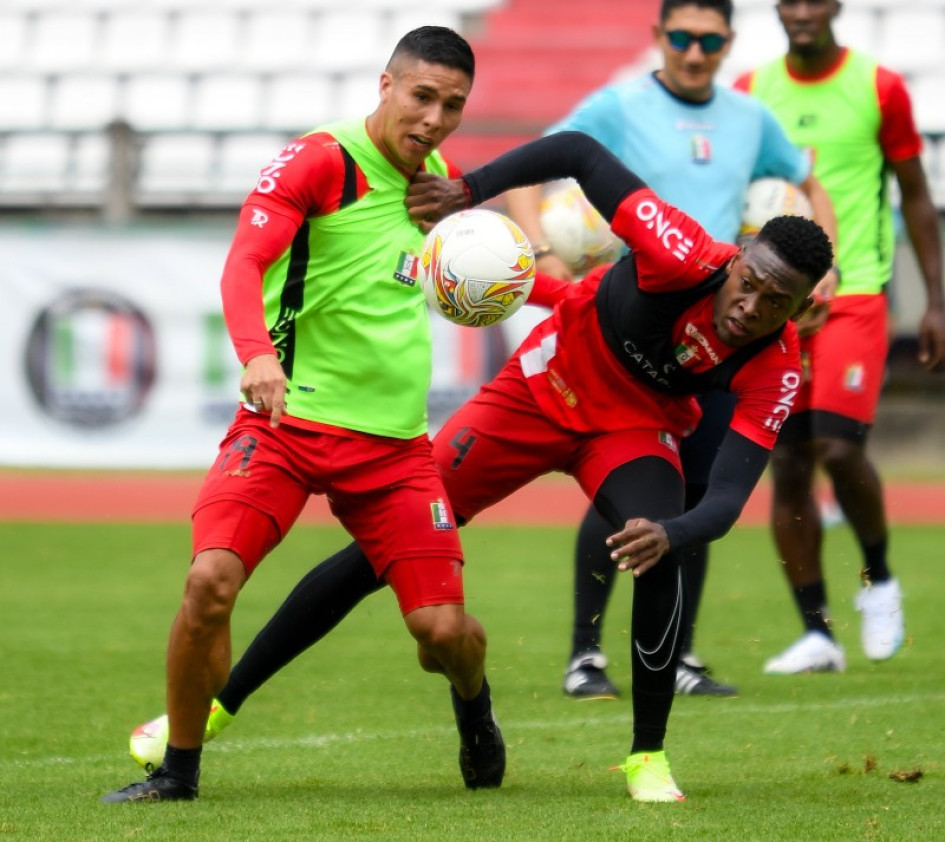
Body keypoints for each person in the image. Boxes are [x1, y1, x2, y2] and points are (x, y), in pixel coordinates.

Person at [128, 130, 834, 803]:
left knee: (660, 550)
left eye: (777, 303)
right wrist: (468, 189)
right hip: (537, 390)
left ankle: (647, 756)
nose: (750, 308)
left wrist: (671, 533)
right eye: (749, 283)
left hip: (630, 429)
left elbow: (728, 499)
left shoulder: (776, 365)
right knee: (380, 551)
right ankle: (217, 708)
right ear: (738, 257)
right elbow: (578, 151)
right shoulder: (679, 248)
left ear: (802, 307)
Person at [101, 27, 507, 804]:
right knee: (209, 583)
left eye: (452, 106)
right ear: (386, 84)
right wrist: (257, 354)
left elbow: (478, 273)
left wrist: (549, 281)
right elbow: (244, 263)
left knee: (443, 634)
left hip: (394, 447)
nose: (433, 119)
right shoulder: (321, 161)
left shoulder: (439, 186)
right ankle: (177, 771)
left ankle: (474, 706)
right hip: (284, 426)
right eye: (421, 96)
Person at [504, 0, 836, 699]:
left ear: (728, 42)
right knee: (617, 490)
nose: (693, 51)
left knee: (695, 496)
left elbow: (809, 186)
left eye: (708, 40)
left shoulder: (750, 118)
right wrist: (538, 248)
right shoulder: (618, 105)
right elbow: (541, 164)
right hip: (634, 330)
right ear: (658, 36)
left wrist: (823, 272)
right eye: (681, 36)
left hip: (727, 340)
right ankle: (585, 655)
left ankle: (678, 657)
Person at [734, 0, 945, 674]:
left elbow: (915, 193)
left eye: (812, 0)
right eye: (788, 1)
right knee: (790, 463)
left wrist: (935, 300)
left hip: (854, 295)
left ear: (834, 6)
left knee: (837, 445)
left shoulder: (878, 87)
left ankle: (879, 581)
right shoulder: (749, 91)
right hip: (779, 304)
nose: (800, 11)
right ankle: (816, 633)